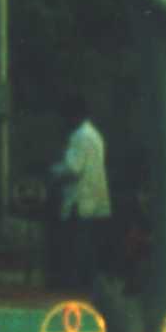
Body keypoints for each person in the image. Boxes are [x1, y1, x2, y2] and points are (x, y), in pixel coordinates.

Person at [48, 97, 112, 296]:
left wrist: (53, 171)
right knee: (89, 246)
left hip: (80, 200)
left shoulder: (79, 136)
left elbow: (73, 168)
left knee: (76, 246)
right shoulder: (95, 135)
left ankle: (74, 288)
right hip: (95, 199)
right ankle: (90, 287)